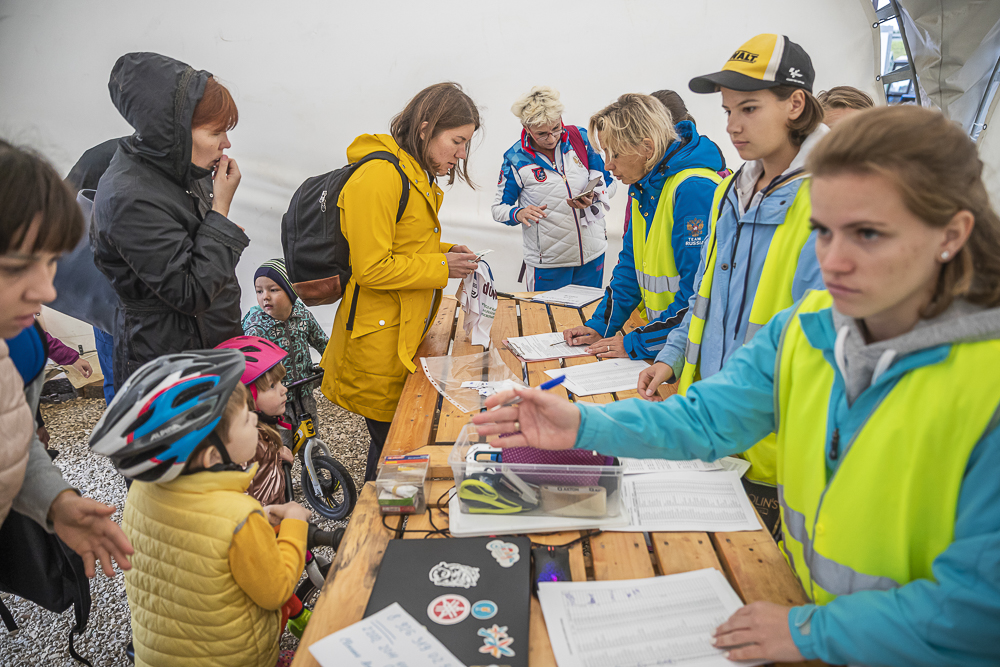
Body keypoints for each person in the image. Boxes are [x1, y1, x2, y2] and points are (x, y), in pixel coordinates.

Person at [474, 105, 1000, 666]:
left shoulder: (983, 383)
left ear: (952, 233)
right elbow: (706, 419)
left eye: (868, 234)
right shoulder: (809, 326)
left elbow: (978, 609)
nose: (834, 260)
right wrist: (582, 424)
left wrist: (810, 633)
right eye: (822, 231)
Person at [634, 35, 827, 529]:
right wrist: (671, 356)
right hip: (713, 429)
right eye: (726, 110)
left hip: (776, 452)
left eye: (749, 108)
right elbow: (703, 298)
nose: (732, 126)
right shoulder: (730, 193)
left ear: (795, 103)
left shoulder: (832, 200)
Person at [89, 350, 311, 667]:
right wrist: (294, 523)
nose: (255, 421)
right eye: (247, 420)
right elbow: (276, 590)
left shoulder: (141, 491)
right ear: (210, 457)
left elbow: (195, 538)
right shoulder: (239, 515)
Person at [319, 82, 482, 482]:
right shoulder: (380, 177)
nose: (462, 154)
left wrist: (444, 252)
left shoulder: (413, 173)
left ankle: (382, 524)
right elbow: (372, 268)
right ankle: (377, 532)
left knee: (393, 447)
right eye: (457, 141)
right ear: (425, 128)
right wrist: (442, 267)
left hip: (399, 337)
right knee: (395, 451)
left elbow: (403, 243)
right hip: (377, 346)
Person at [0, 139, 133, 577]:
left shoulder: (19, 343)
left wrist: (54, 500)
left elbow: (10, 430)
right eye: (19, 265)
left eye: (50, 262)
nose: (47, 292)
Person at [92, 52, 248, 390]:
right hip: (171, 371)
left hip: (213, 352)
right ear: (175, 130)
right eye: (216, 132)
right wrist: (220, 213)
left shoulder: (185, 171)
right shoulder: (129, 197)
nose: (226, 143)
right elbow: (190, 292)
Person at [562, 94, 726, 361]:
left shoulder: (693, 190)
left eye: (614, 153)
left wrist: (639, 342)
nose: (607, 165)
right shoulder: (644, 186)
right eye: (605, 153)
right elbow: (630, 267)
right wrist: (600, 326)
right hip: (667, 346)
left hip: (694, 350)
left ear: (647, 148)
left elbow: (699, 293)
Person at [492, 86, 616, 291]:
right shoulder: (515, 158)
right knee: (545, 321)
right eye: (541, 134)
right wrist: (518, 212)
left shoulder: (582, 139)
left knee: (587, 318)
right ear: (526, 127)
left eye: (556, 128)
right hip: (548, 265)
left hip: (593, 255)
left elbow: (610, 183)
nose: (551, 138)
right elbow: (498, 209)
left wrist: (594, 197)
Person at [243, 259, 329, 438]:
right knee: (282, 445)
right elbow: (249, 367)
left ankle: (314, 464)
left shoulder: (302, 315)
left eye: (273, 290)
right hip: (275, 399)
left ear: (291, 292)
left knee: (311, 439)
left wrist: (331, 363)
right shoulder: (256, 327)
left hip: (304, 391)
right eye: (259, 291)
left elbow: (322, 341)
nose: (265, 296)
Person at [216, 336, 295, 506]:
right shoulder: (244, 446)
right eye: (272, 386)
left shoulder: (260, 432)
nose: (284, 389)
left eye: (281, 382)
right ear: (245, 399)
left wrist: (274, 454)